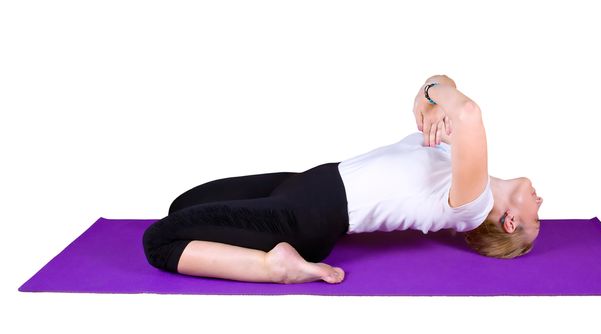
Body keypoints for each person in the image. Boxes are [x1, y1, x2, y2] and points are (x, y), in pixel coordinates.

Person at [142, 74, 544, 285]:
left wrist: (433, 94)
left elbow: (466, 109)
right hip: (307, 183)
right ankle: (259, 254)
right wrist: (433, 95)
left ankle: (274, 267)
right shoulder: (457, 160)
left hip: (306, 217)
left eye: (537, 217)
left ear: (510, 221)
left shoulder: (473, 205)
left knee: (159, 242)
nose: (542, 202)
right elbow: (441, 86)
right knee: (184, 206)